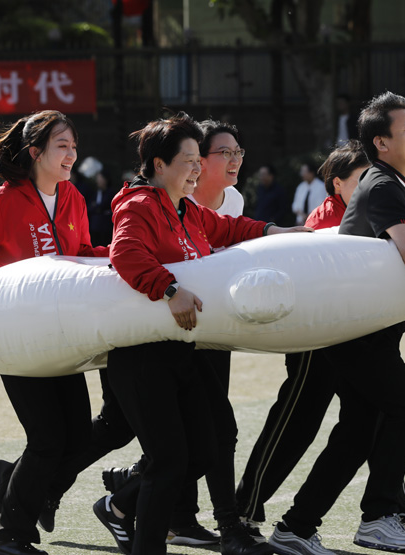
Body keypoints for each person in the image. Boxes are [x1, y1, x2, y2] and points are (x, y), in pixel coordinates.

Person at [92, 112, 309, 555]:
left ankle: (134, 507)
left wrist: (277, 232)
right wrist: (169, 289)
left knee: (212, 440)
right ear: (159, 165)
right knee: (169, 460)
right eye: (188, 160)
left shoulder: (186, 209)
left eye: (198, 160)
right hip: (143, 356)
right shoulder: (138, 204)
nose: (197, 168)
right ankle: (139, 525)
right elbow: (125, 254)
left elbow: (229, 228)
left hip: (183, 350)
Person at [268, 91, 405, 555]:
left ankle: (295, 528)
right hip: (353, 333)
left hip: (376, 331)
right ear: (381, 143)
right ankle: (379, 517)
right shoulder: (380, 184)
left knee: (358, 432)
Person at [0, 110, 110, 555]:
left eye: (74, 146)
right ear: (35, 152)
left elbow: (81, 252)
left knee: (77, 439)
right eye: (62, 146)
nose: (72, 154)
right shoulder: (2, 200)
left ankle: (2, 489)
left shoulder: (72, 196)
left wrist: (121, 256)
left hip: (64, 339)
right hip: (17, 339)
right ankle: (8, 537)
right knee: (48, 439)